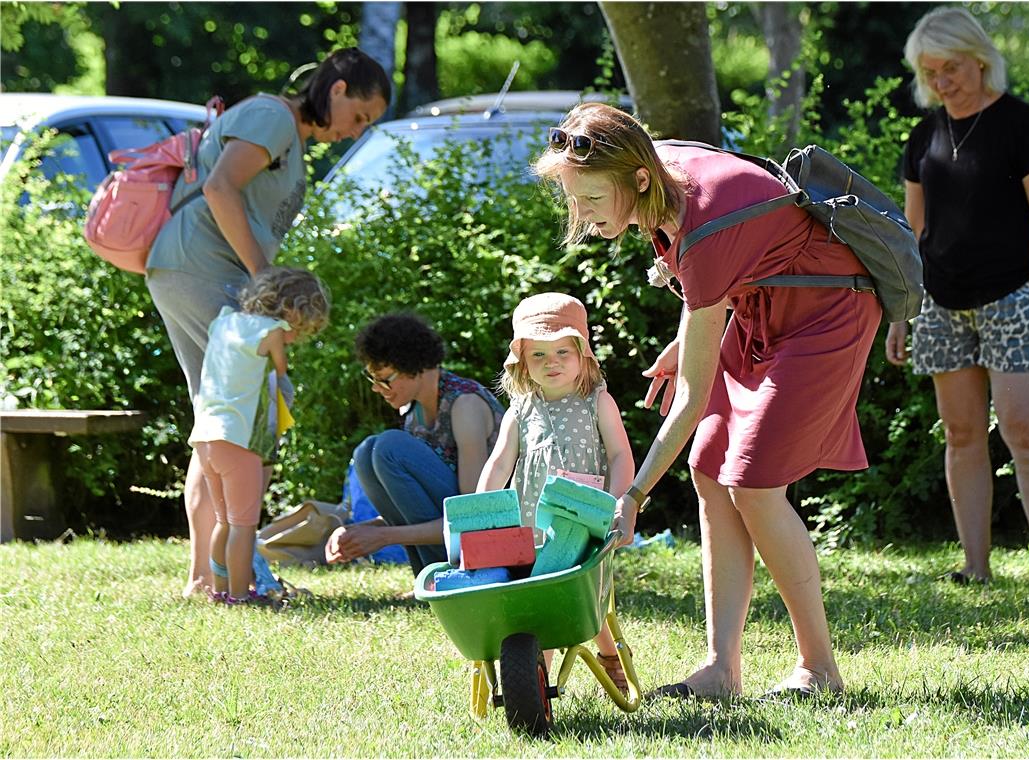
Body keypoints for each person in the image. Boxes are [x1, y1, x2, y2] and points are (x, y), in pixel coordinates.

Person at [533, 103, 882, 699]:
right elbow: (736, 270)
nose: (581, 216)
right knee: (708, 469)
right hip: (761, 311)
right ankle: (722, 669)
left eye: (590, 199)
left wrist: (633, 496)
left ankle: (820, 670)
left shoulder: (704, 218)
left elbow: (689, 400)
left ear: (637, 179)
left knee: (754, 483)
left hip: (827, 315)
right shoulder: (654, 169)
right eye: (574, 199)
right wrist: (685, 340)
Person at [145, 48, 391, 598]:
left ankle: (206, 578)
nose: (356, 132)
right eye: (360, 116)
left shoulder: (290, 134)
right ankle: (233, 577)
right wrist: (265, 281)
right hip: (203, 273)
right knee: (234, 424)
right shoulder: (273, 116)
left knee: (218, 425)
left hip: (202, 274)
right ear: (338, 89)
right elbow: (219, 188)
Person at [886, 7, 1029, 589]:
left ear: (979, 59)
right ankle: (975, 566)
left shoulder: (1022, 126)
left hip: (1015, 297)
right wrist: (901, 310)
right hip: (942, 303)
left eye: (951, 68)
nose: (942, 81)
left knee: (1026, 431)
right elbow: (911, 235)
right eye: (931, 72)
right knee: (962, 434)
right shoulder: (924, 136)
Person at [477, 292, 636, 693]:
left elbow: (620, 456)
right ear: (523, 363)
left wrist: (617, 504)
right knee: (540, 598)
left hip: (587, 522)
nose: (552, 363)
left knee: (587, 595)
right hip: (533, 529)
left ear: (583, 353)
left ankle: (607, 655)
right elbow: (498, 464)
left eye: (562, 351)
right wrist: (482, 510)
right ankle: (533, 680)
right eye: (539, 355)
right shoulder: (520, 410)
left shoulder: (596, 402)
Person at [323, 313, 505, 578]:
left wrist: (385, 537)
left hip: (491, 543)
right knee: (367, 452)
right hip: (456, 533)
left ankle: (447, 575)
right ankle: (430, 575)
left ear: (414, 365)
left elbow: (473, 517)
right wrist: (359, 532)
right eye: (372, 379)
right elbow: (417, 510)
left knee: (387, 447)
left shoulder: (465, 404)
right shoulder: (414, 415)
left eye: (384, 378)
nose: (376, 388)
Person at [189, 267, 331, 604]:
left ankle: (219, 590)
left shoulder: (223, 321)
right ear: (290, 312)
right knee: (243, 525)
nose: (294, 338)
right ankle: (241, 595)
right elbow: (280, 372)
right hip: (239, 441)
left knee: (223, 522)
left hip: (206, 437)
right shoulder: (272, 331)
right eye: (300, 330)